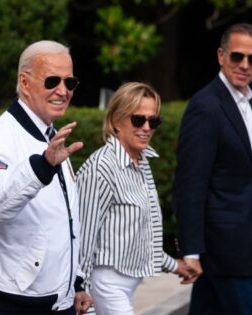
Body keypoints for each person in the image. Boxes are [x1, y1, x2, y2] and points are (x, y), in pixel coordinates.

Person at [173, 23, 252, 315]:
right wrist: (190, 251)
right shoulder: (205, 107)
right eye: (237, 56)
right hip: (223, 248)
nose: (244, 65)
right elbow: (189, 185)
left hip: (245, 239)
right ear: (220, 56)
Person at [0, 40, 93, 315]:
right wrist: (41, 167)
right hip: (12, 303)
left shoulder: (52, 136)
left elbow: (63, 221)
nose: (63, 91)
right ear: (24, 83)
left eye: (69, 82)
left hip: (56, 300)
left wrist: (76, 282)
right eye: (52, 81)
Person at [76, 82, 191, 315]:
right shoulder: (101, 167)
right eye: (138, 120)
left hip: (128, 284)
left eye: (154, 121)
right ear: (117, 121)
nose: (147, 127)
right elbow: (82, 238)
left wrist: (175, 266)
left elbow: (144, 237)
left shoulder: (142, 161)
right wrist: (81, 292)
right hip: (106, 284)